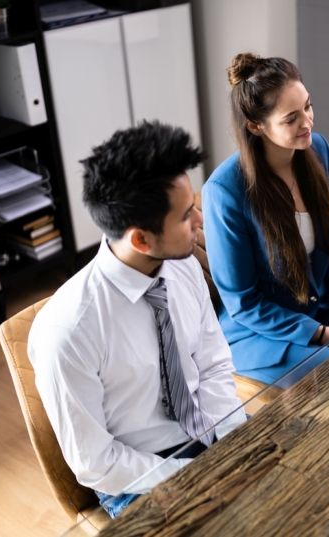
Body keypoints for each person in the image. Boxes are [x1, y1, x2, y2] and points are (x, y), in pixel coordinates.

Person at [28, 121, 246, 518]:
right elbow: (95, 462)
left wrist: (233, 443)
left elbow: (212, 364)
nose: (200, 219)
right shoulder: (68, 331)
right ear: (140, 239)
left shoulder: (182, 266)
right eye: (185, 215)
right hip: (138, 476)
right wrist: (194, 475)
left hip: (208, 435)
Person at [202, 53, 329, 386]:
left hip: (321, 306)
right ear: (255, 125)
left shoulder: (318, 151)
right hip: (263, 332)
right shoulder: (224, 191)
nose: (308, 123)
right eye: (291, 119)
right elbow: (243, 303)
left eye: (308, 106)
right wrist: (324, 334)